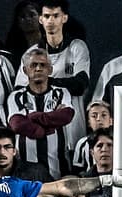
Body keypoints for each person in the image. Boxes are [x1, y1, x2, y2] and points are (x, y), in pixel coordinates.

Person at [14, 0, 90, 151]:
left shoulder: (77, 47)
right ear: (40, 19)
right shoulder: (31, 54)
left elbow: (80, 85)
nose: (51, 21)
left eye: (56, 16)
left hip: (73, 128)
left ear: (64, 18)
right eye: (47, 16)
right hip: (40, 130)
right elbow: (19, 91)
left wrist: (42, 82)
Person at [7, 47, 74, 179]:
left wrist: (33, 117)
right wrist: (47, 127)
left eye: (43, 65)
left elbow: (66, 115)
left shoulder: (61, 93)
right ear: (25, 70)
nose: (38, 68)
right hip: (27, 171)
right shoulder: (15, 96)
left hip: (58, 168)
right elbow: (17, 124)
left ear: (50, 70)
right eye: (33, 65)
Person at [71, 101, 111, 175]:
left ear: (111, 120)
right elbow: (77, 170)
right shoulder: (82, 143)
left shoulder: (119, 141)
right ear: (89, 122)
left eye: (104, 115)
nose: (99, 119)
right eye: (94, 116)